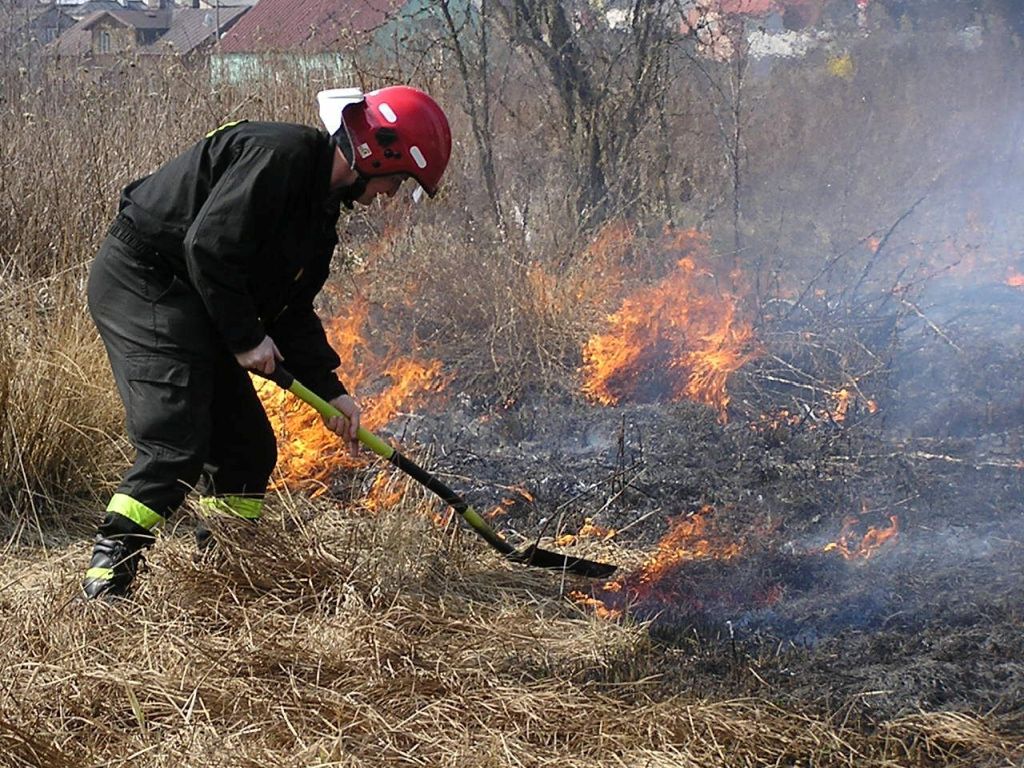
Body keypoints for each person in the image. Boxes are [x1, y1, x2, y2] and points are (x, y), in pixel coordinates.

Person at [81, 85, 452, 600]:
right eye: (399, 179)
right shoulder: (281, 155)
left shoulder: (319, 220)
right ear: (378, 150)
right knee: (175, 441)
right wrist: (245, 338)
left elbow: (291, 311)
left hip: (200, 296)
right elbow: (208, 246)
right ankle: (107, 581)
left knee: (246, 450)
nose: (391, 194)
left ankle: (221, 569)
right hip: (147, 282)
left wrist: (331, 391)